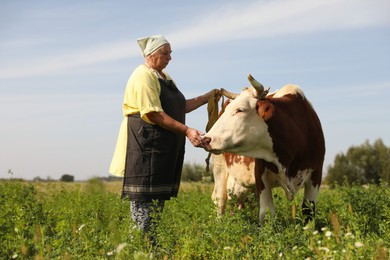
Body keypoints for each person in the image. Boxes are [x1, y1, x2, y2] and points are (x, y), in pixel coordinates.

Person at [109, 34, 220, 239]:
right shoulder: (143, 76)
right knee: (143, 209)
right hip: (146, 146)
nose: (170, 58)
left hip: (161, 147)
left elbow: (180, 106)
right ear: (151, 55)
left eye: (170, 53)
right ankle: (139, 249)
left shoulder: (165, 78)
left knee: (156, 210)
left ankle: (151, 249)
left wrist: (207, 98)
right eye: (165, 53)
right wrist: (187, 131)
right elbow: (153, 114)